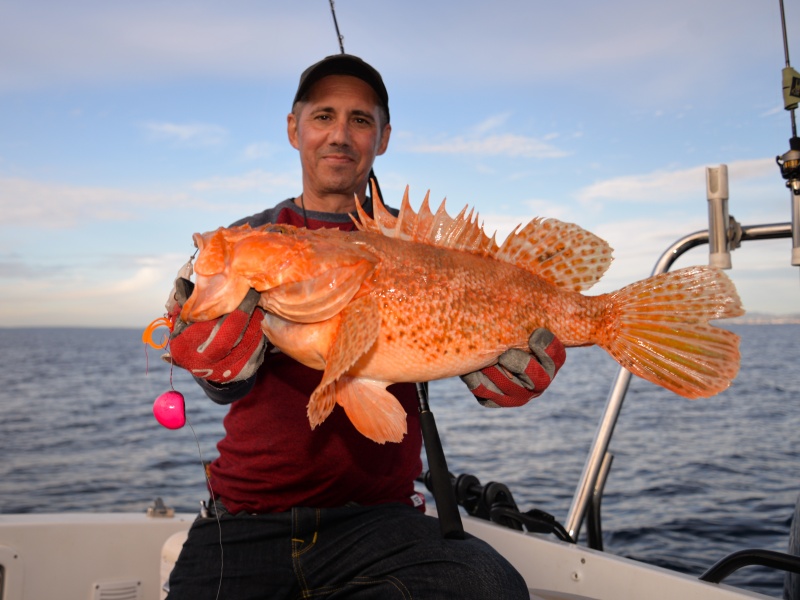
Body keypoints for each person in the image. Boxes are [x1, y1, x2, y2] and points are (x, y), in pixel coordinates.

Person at [164, 54, 566, 599]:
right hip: (244, 516)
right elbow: (221, 382)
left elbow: (469, 346)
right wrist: (212, 360)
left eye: (360, 119)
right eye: (324, 115)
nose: (340, 134)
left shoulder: (416, 245)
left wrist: (501, 377)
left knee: (490, 587)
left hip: (379, 519)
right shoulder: (249, 238)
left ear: (383, 137)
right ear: (294, 128)